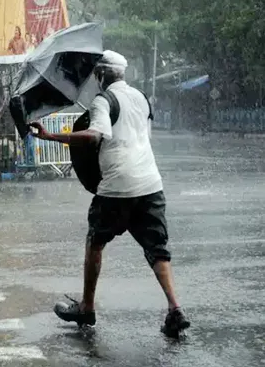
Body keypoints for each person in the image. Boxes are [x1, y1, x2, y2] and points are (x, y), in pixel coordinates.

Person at [29, 50, 191, 338]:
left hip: (117, 187)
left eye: (96, 75)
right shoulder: (141, 97)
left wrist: (51, 136)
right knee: (157, 250)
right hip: (150, 184)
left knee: (95, 241)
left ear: (101, 76)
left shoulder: (103, 101)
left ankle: (87, 307)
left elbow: (95, 135)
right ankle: (175, 308)